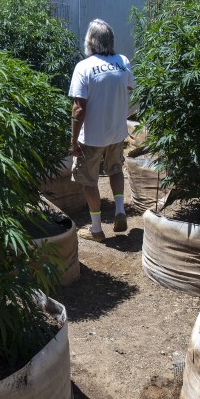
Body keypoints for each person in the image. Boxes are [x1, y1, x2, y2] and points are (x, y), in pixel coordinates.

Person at [68, 19, 135, 242]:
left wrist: (74, 140)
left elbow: (78, 109)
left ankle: (96, 229)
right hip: (117, 132)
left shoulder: (84, 67)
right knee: (115, 170)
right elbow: (128, 87)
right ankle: (120, 211)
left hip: (92, 137)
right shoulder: (122, 62)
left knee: (89, 181)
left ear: (91, 41)